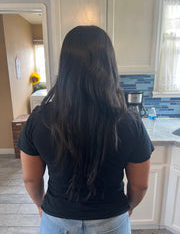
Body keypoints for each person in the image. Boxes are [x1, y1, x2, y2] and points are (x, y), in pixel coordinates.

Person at [18, 25, 154, 234]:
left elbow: (30, 179)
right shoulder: (130, 123)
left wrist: (40, 204)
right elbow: (139, 186)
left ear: (65, 66)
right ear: (110, 66)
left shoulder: (38, 120)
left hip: (57, 219)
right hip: (111, 220)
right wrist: (128, 208)